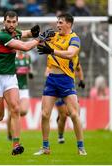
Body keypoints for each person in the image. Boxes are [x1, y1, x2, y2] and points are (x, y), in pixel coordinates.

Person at [0, 10, 54, 155]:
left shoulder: (15, 31)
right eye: (8, 22)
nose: (11, 24)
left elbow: (26, 33)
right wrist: (40, 38)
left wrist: (33, 32)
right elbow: (26, 47)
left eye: (14, 22)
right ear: (4, 22)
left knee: (15, 109)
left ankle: (16, 145)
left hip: (9, 77)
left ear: (17, 22)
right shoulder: (1, 35)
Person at [34, 13, 87, 155]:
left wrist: (51, 50)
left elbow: (70, 54)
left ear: (69, 24)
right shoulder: (54, 35)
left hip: (66, 80)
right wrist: (40, 36)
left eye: (61, 23)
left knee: (74, 114)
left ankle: (81, 147)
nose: (58, 25)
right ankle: (45, 147)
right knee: (45, 114)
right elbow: (37, 44)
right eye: (57, 22)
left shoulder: (74, 39)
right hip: (51, 79)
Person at [55, 63, 85, 144]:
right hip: (59, 90)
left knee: (75, 114)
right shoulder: (57, 58)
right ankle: (60, 136)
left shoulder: (74, 58)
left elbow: (79, 69)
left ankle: (80, 142)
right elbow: (48, 71)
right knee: (63, 116)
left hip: (70, 90)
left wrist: (81, 80)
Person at [7, 50, 34, 140]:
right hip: (13, 87)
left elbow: (30, 69)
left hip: (24, 88)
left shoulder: (27, 57)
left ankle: (11, 128)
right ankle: (10, 133)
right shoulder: (12, 57)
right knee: (13, 112)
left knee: (23, 111)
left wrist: (31, 73)